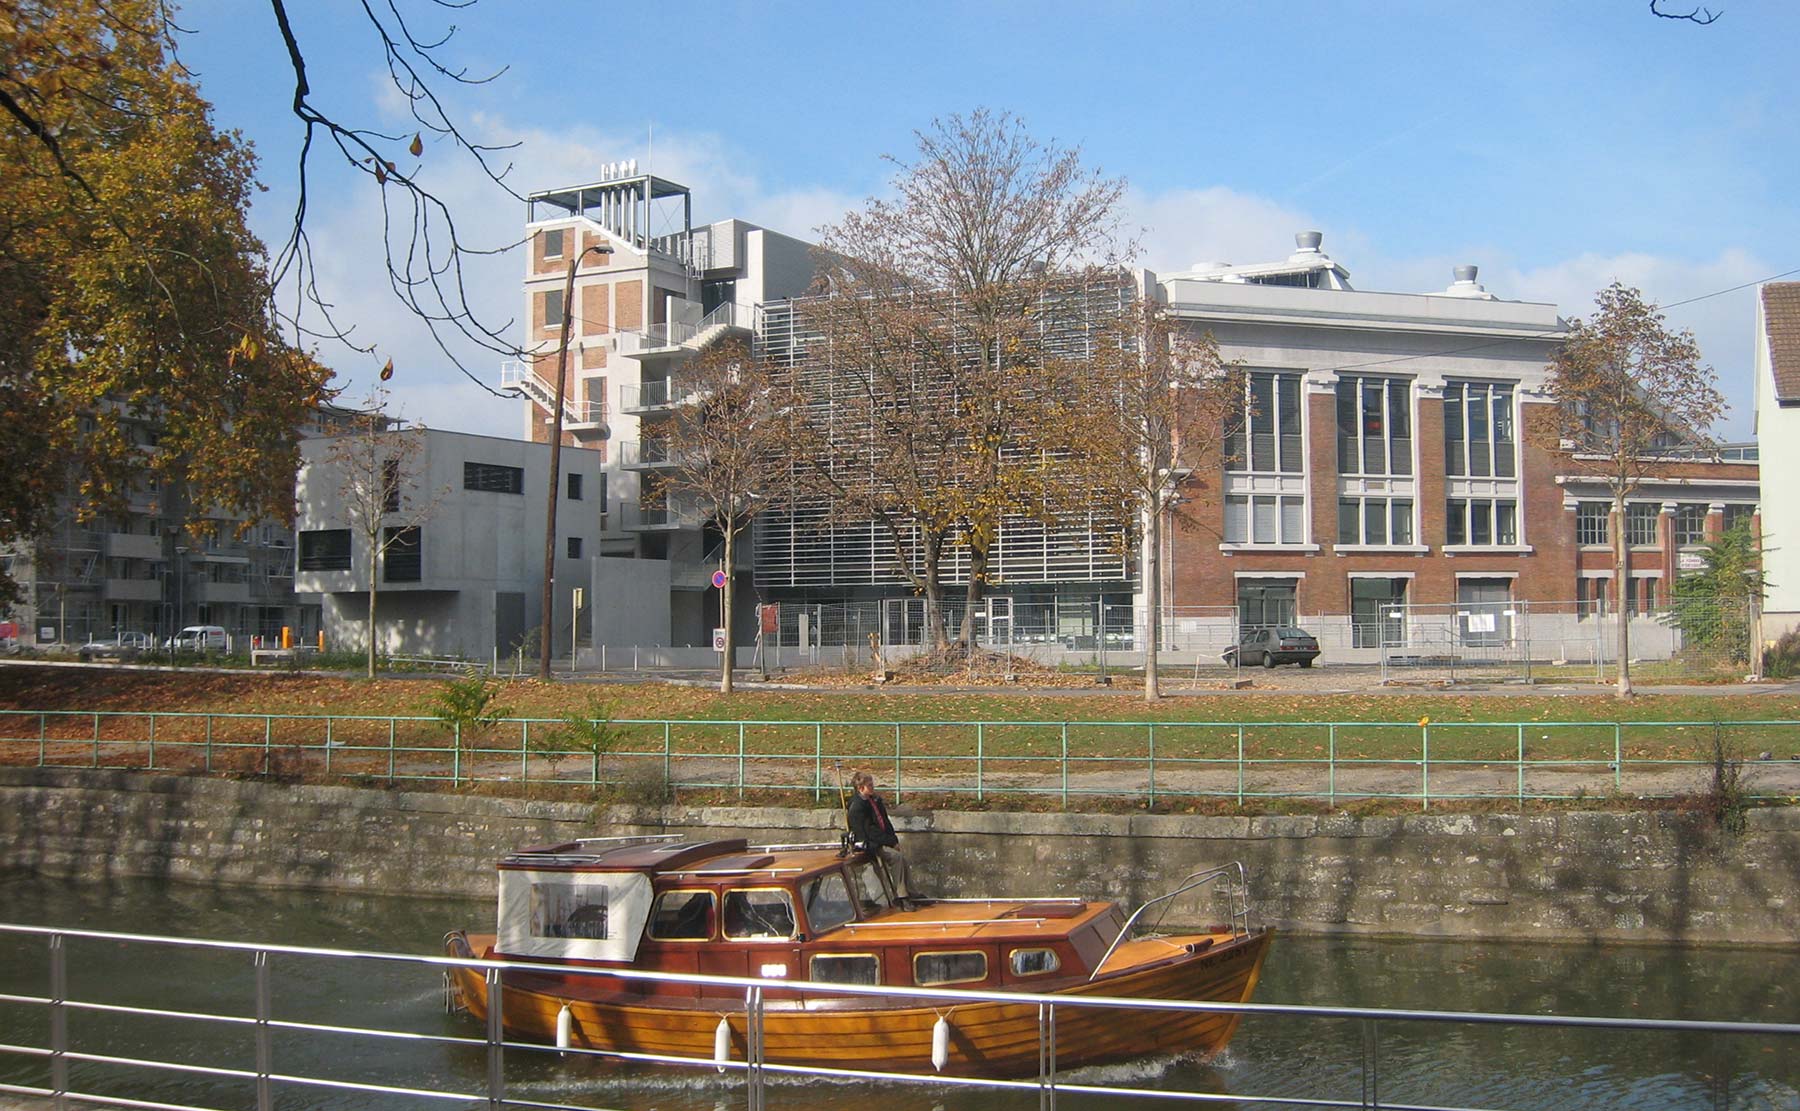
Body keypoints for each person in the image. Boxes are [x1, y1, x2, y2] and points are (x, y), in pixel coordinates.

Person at [846, 770, 917, 909]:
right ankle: (902, 897)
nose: (873, 787)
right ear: (861, 788)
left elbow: (884, 821)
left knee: (901, 858)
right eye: (870, 785)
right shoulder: (857, 807)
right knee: (896, 858)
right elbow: (869, 831)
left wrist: (894, 839)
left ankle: (911, 891)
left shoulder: (875, 801)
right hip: (870, 844)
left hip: (882, 839)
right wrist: (889, 842)